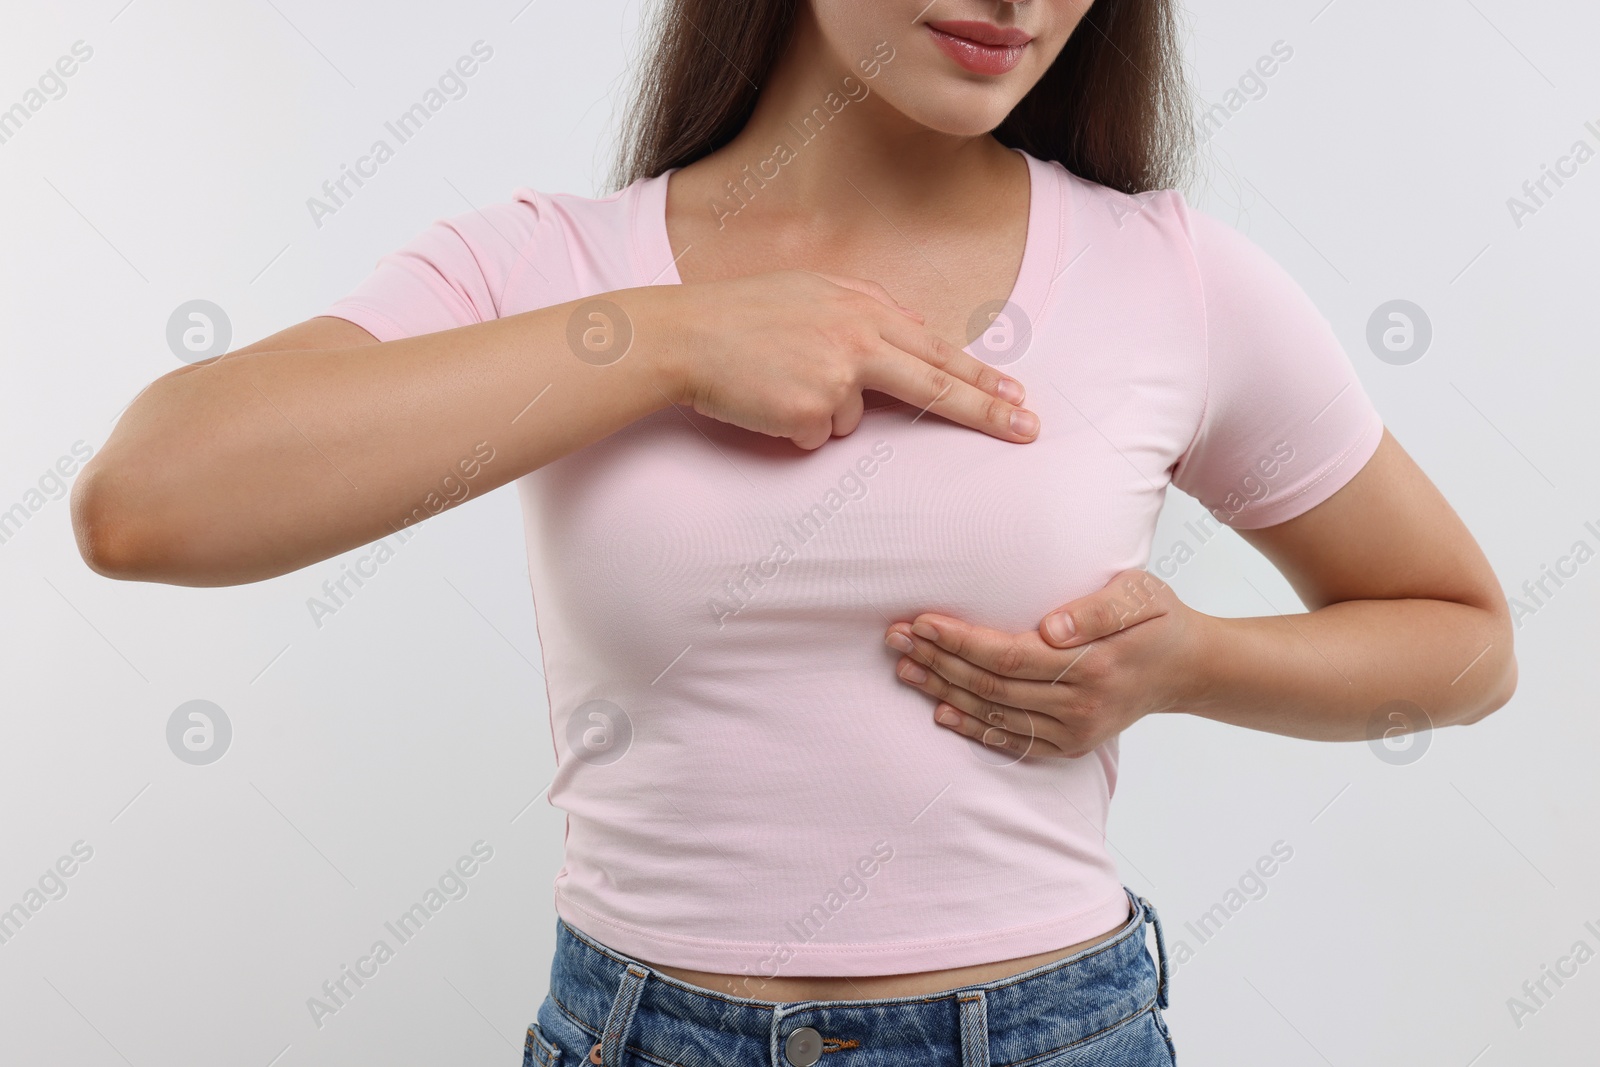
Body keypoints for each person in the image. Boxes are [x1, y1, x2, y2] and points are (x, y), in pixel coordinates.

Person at [72, 1, 1517, 1064]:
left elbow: (1465, 642)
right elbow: (149, 500)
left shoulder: (1173, 277)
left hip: (1048, 1038)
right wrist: (658, 341)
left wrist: (1191, 664)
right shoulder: (553, 268)